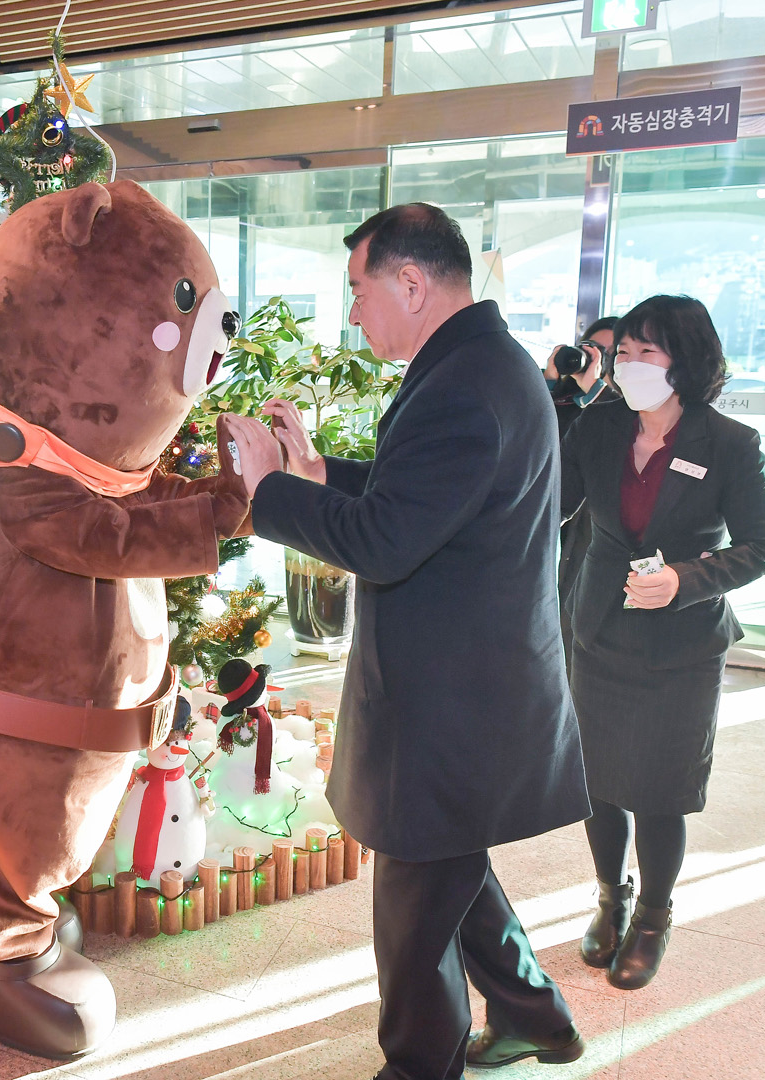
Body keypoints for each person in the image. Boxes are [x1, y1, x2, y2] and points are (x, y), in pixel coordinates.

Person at [221, 203, 590, 1080]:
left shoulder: (463, 384)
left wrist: (268, 490)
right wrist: (316, 475)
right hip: (468, 687)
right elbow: (423, 495)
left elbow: (386, 539)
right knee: (447, 872)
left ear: (412, 283)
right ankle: (536, 1016)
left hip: (453, 703)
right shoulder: (480, 364)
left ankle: (421, 1066)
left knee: (413, 917)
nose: (354, 312)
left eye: (359, 290)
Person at [560, 295, 765, 990]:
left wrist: (687, 579)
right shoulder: (600, 427)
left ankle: (653, 919)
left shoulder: (730, 443)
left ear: (684, 361)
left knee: (660, 790)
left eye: (645, 352)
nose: (629, 364)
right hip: (599, 628)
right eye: (621, 352)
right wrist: (561, 402)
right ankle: (611, 899)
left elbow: (763, 547)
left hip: (682, 645)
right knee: (598, 783)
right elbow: (548, 500)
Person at [550, 317, 621, 671]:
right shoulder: (567, 401)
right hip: (558, 521)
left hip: (593, 535)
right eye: (593, 349)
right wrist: (550, 382)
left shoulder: (627, 407)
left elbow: (619, 431)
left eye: (611, 353)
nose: (598, 359)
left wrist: (595, 388)